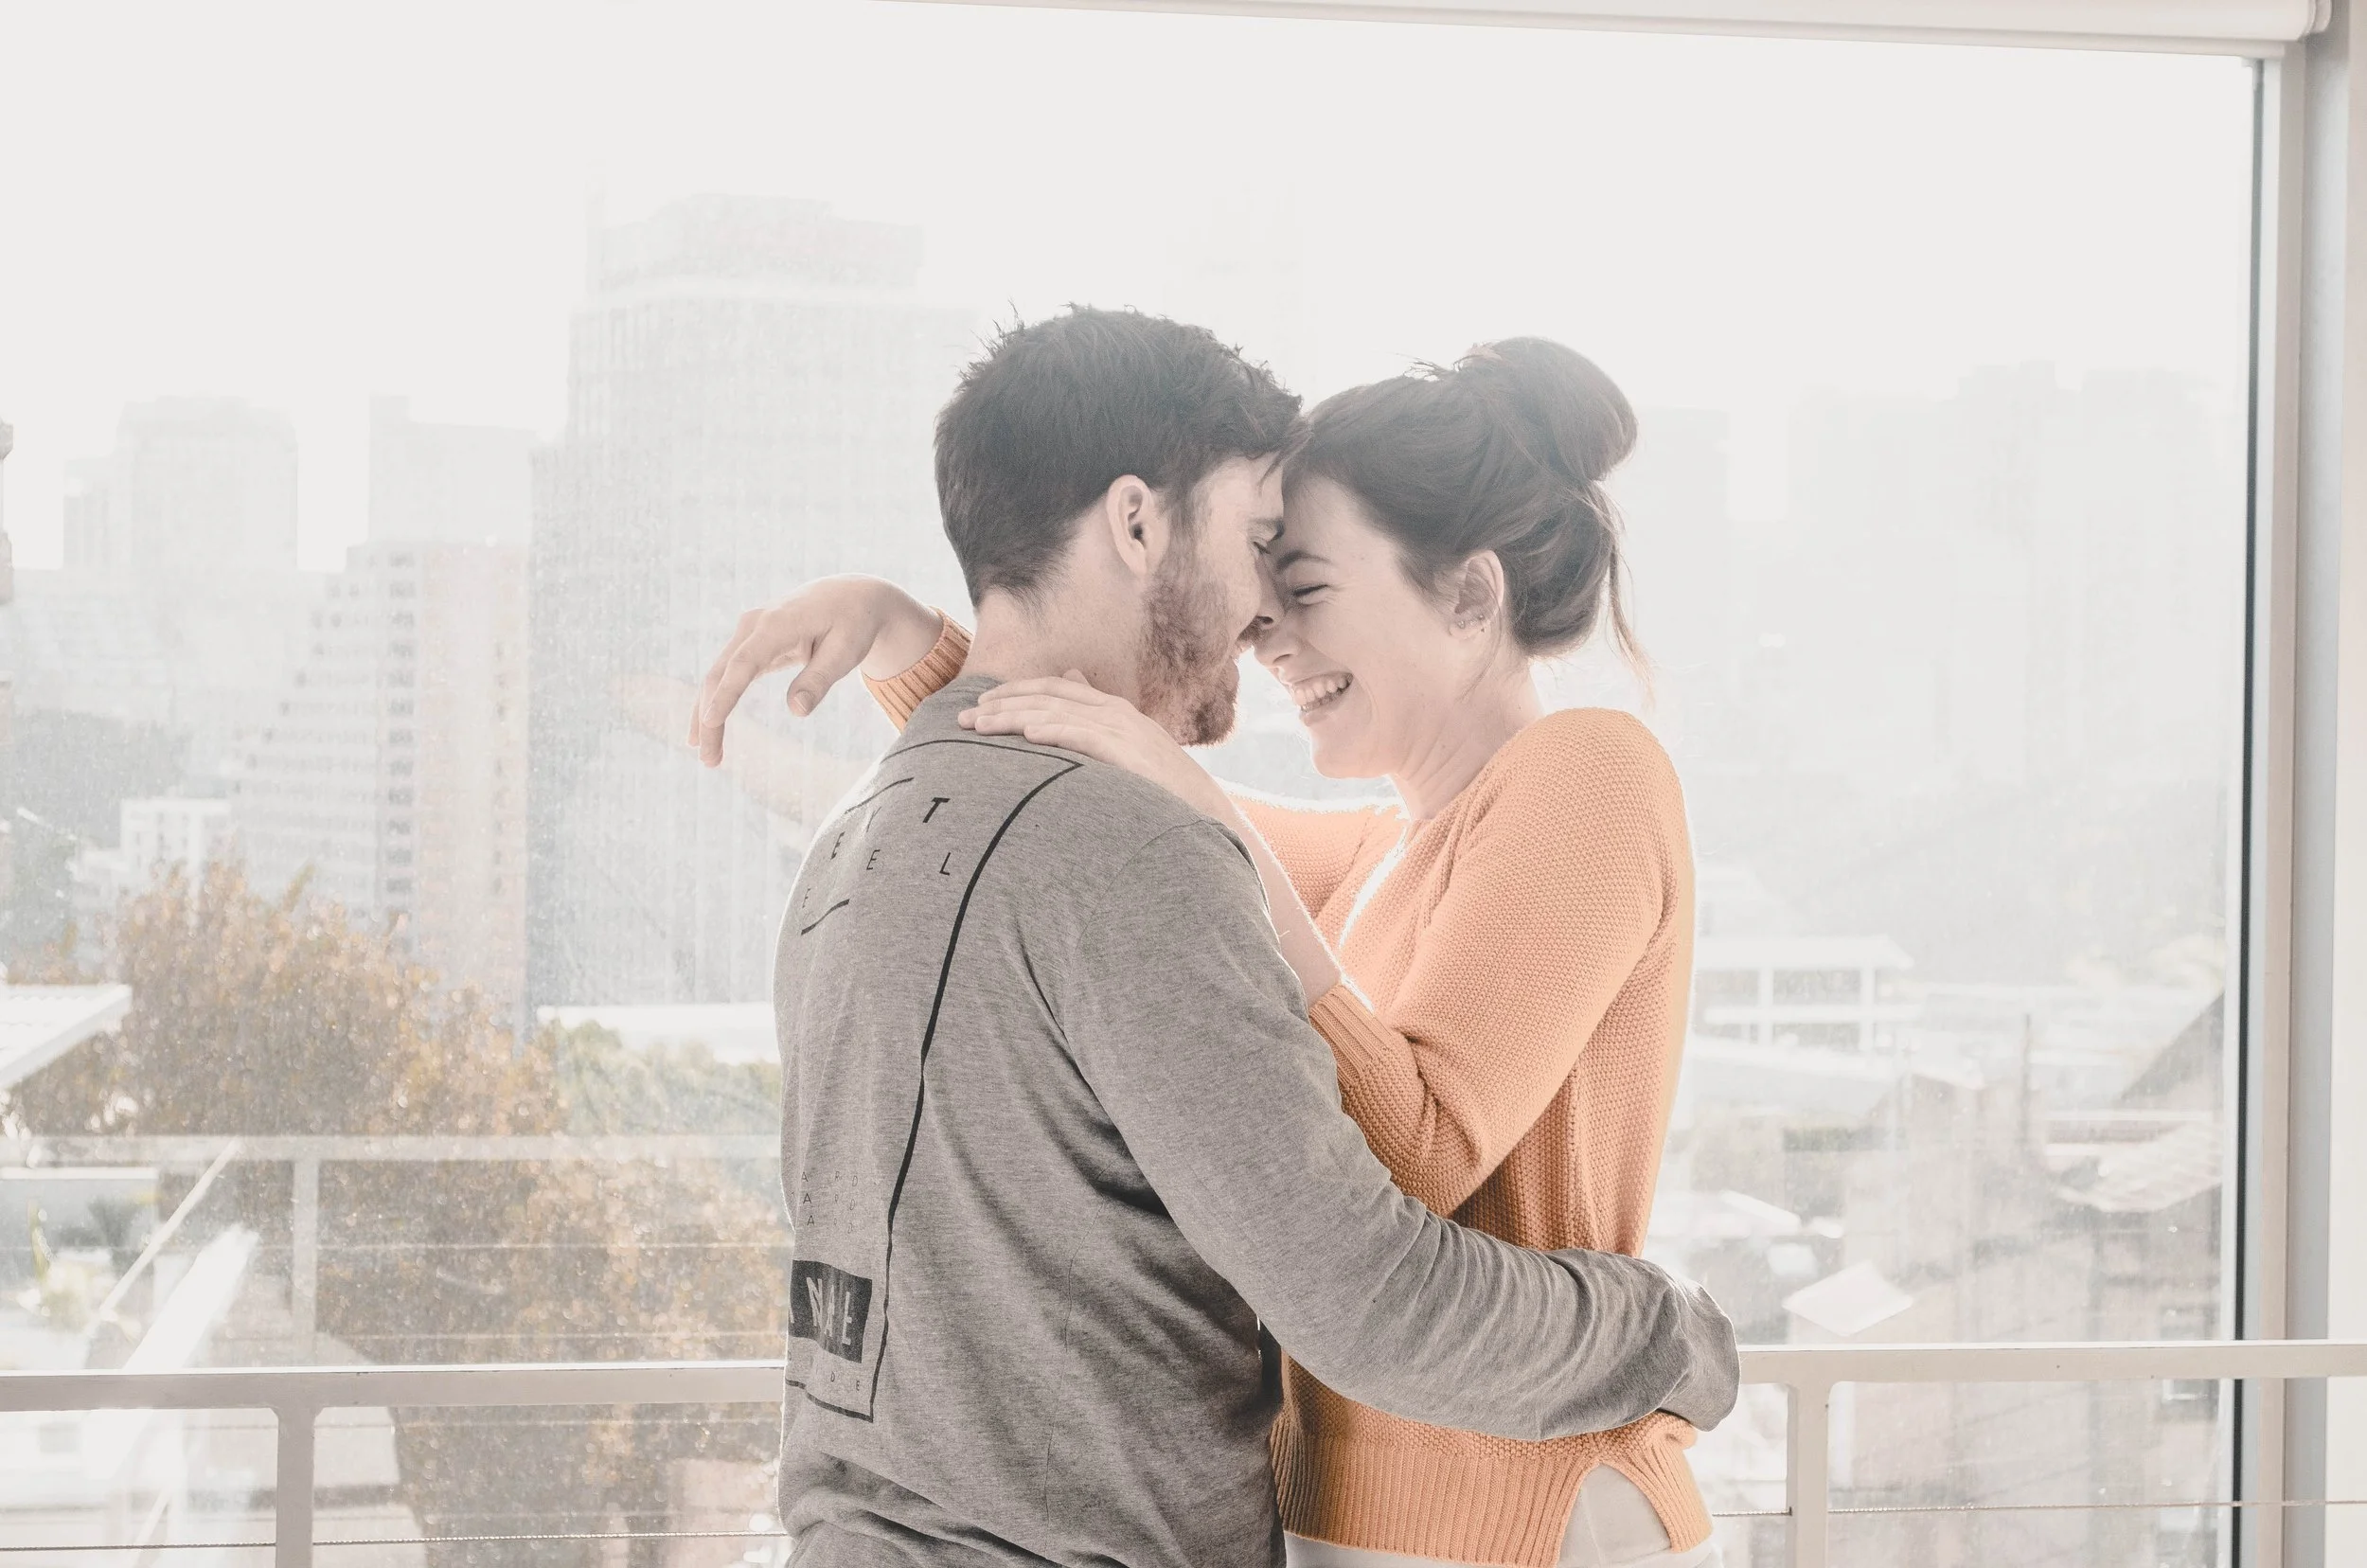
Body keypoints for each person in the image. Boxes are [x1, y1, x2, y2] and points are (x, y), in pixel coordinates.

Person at [692, 308, 1735, 1568]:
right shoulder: (1380, 858)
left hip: (1525, 1522)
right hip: (1363, 1531)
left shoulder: (1588, 771)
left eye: (1300, 584)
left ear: (1470, 595)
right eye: (1262, 564)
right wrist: (932, 650)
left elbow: (1409, 1153)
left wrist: (1663, 1333)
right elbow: (1102, 809)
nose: (1265, 629)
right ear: (1138, 523)